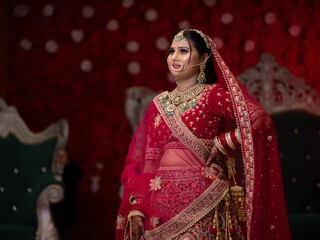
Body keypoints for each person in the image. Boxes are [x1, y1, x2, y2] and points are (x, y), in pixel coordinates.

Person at [116, 29, 291, 240]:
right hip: (159, 210)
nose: (175, 57)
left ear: (204, 58)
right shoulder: (159, 104)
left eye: (183, 51)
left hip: (203, 204)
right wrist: (138, 207)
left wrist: (223, 142)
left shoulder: (212, 95)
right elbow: (149, 161)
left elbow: (260, 121)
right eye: (172, 51)